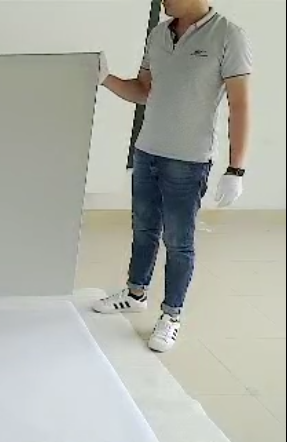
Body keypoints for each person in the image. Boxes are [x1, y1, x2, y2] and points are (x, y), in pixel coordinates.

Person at [94, 0, 252, 352]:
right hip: (147, 151)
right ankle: (135, 293)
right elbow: (143, 90)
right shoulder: (159, 34)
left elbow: (240, 105)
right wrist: (105, 79)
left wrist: (236, 168)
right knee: (144, 229)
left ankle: (171, 315)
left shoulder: (228, 35)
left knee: (179, 241)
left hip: (189, 160)